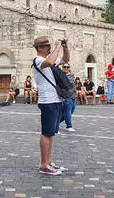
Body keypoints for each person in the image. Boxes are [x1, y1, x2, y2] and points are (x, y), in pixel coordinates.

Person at [32, 36, 69, 175]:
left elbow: (65, 60)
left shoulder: (48, 61)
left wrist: (65, 47)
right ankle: (43, 165)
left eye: (49, 46)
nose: (49, 48)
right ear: (40, 48)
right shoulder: (38, 60)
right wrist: (57, 46)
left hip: (55, 100)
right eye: (46, 46)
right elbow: (51, 61)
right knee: (46, 133)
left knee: (51, 133)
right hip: (47, 101)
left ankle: (47, 161)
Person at [60, 63, 76, 132]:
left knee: (69, 112)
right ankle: (69, 126)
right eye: (64, 67)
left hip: (73, 96)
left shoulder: (72, 75)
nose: (66, 68)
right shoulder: (61, 76)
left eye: (67, 67)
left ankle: (55, 123)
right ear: (62, 67)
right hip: (66, 96)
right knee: (67, 112)